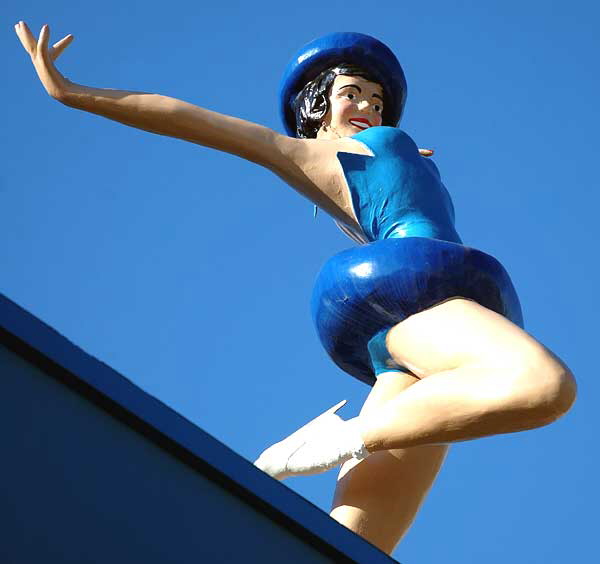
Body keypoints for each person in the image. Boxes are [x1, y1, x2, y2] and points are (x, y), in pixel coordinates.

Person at [16, 24, 576, 555]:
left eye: (377, 103)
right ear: (315, 112)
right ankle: (331, 441)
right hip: (409, 291)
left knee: (354, 545)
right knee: (541, 384)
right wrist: (74, 92)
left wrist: (405, 156)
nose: (368, 109)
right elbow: (199, 121)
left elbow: (399, 175)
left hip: (403, 334)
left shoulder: (392, 153)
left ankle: (328, 460)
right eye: (351, 95)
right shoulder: (319, 153)